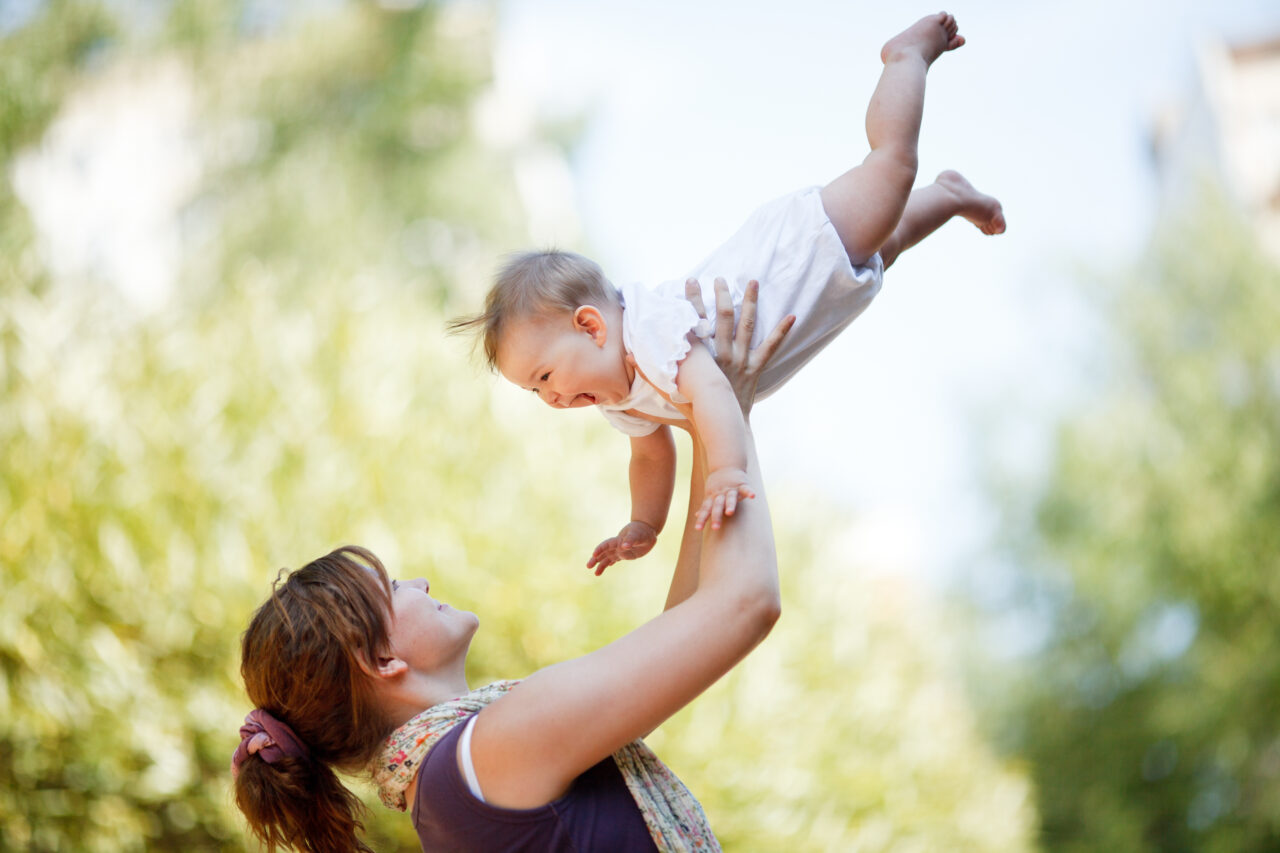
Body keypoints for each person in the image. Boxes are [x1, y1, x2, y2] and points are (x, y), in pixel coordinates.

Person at [231, 291, 791, 852]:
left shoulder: (453, 785)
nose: (421, 583)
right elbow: (743, 605)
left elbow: (689, 625)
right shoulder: (486, 753)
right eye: (395, 588)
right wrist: (731, 420)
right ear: (381, 659)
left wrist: (708, 430)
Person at [450, 12, 1005, 574]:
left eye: (544, 377)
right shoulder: (619, 395)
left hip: (799, 253)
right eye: (534, 392)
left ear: (591, 326)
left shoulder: (648, 332)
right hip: (818, 295)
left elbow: (712, 391)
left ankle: (904, 57)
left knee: (890, 172)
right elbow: (649, 454)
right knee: (893, 238)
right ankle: (953, 194)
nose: (550, 399)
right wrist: (644, 524)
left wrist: (727, 470)